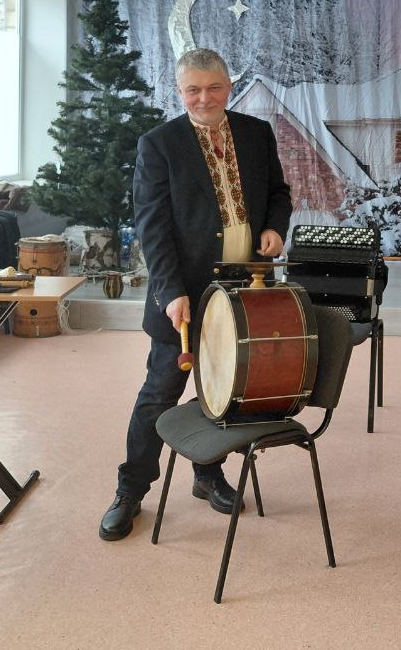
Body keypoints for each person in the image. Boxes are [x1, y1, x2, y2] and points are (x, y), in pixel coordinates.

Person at [99, 48, 292, 542]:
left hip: (244, 289)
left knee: (224, 391)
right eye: (193, 89)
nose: (204, 98)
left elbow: (278, 192)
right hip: (183, 292)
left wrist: (274, 227)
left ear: (229, 86)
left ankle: (207, 474)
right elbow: (152, 226)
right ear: (179, 90)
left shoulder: (256, 133)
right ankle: (130, 490)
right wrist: (169, 291)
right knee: (160, 393)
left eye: (214, 88)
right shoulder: (159, 144)